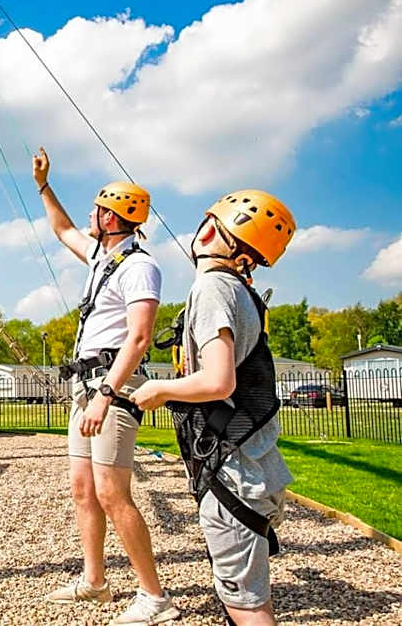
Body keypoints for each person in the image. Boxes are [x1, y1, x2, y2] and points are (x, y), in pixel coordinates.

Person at [131, 190, 297, 626]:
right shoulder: (239, 292)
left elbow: (218, 381)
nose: (201, 229)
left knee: (247, 606)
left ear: (211, 232)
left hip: (234, 473)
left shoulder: (211, 288)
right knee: (243, 594)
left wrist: (158, 391)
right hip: (254, 465)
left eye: (210, 223)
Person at [33, 147, 179, 625]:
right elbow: (62, 230)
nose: (89, 216)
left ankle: (154, 597)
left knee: (113, 492)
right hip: (87, 388)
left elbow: (138, 337)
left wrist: (107, 394)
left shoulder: (140, 267)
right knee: (83, 489)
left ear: (112, 216)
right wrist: (43, 186)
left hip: (110, 388)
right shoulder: (103, 257)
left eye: (97, 209)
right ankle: (94, 582)